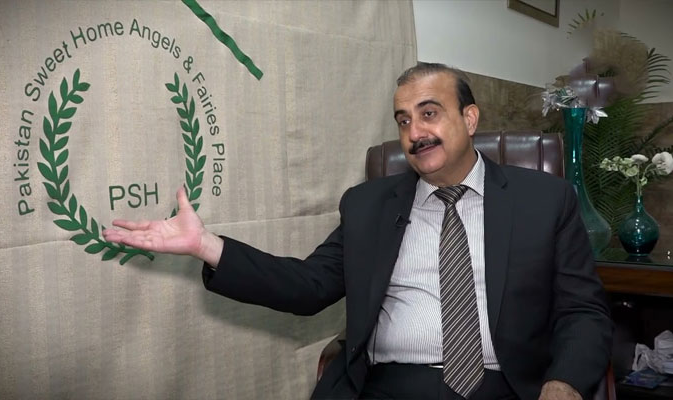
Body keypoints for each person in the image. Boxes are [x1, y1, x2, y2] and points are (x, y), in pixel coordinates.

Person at [103, 62, 612, 400]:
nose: (415, 133)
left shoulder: (544, 200)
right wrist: (206, 245)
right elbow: (308, 287)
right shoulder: (368, 205)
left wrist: (564, 383)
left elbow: (583, 312)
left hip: (503, 385)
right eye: (403, 120)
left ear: (470, 117)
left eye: (429, 114)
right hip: (387, 385)